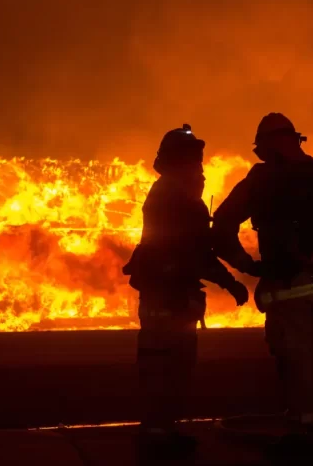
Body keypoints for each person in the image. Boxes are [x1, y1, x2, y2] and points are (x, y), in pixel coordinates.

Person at [211, 113, 313, 450]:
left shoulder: (261, 180)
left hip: (286, 288)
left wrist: (248, 265)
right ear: (295, 139)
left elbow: (221, 227)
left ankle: (300, 434)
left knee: (296, 361)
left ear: (268, 145)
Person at [122, 124, 249, 456]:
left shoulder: (167, 193)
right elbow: (201, 250)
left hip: (162, 295)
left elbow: (198, 249)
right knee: (170, 367)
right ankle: (159, 436)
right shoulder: (178, 200)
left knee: (163, 366)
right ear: (182, 162)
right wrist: (233, 279)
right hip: (171, 297)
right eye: (196, 162)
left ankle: (160, 430)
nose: (202, 170)